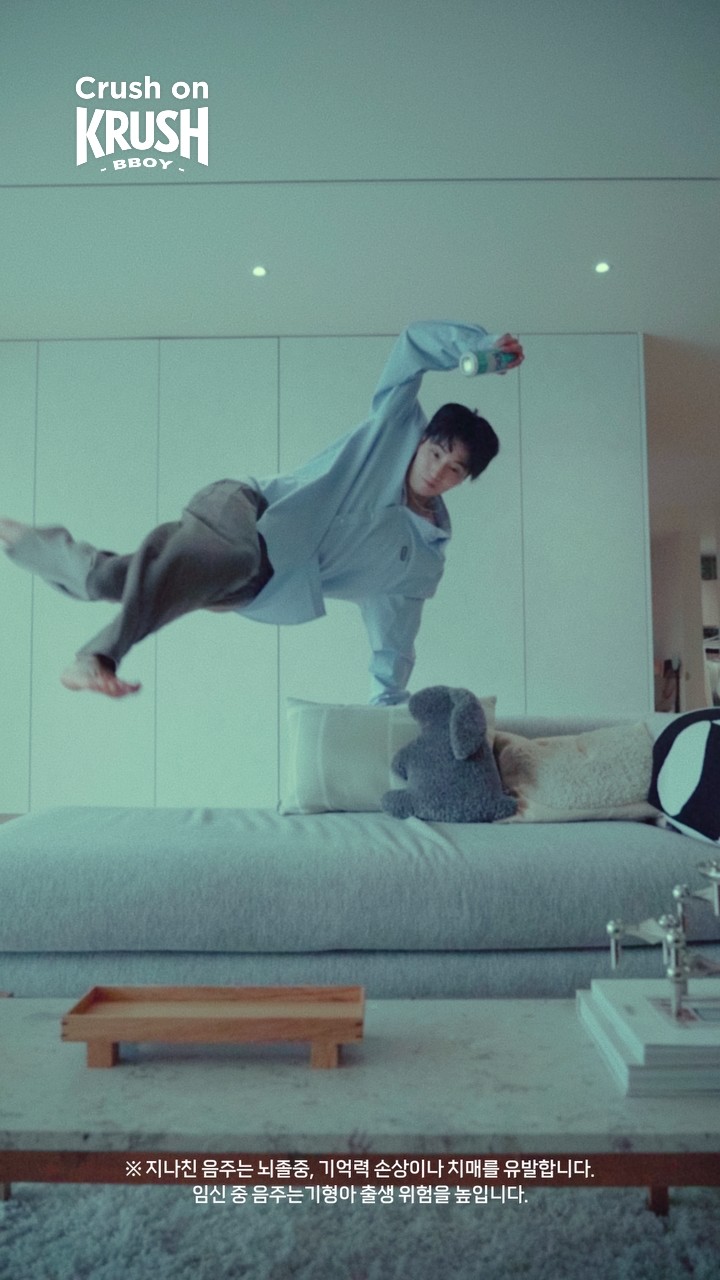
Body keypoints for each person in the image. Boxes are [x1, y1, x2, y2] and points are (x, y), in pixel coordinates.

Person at [0, 320, 523, 701]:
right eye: (436, 452)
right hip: (245, 511)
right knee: (225, 558)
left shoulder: (422, 561)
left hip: (258, 587)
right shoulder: (394, 427)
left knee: (114, 580)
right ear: (423, 440)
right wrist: (476, 346)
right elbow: (412, 345)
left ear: (464, 480)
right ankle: (96, 656)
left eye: (454, 469)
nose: (437, 470)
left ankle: (19, 538)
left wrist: (387, 710)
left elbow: (395, 638)